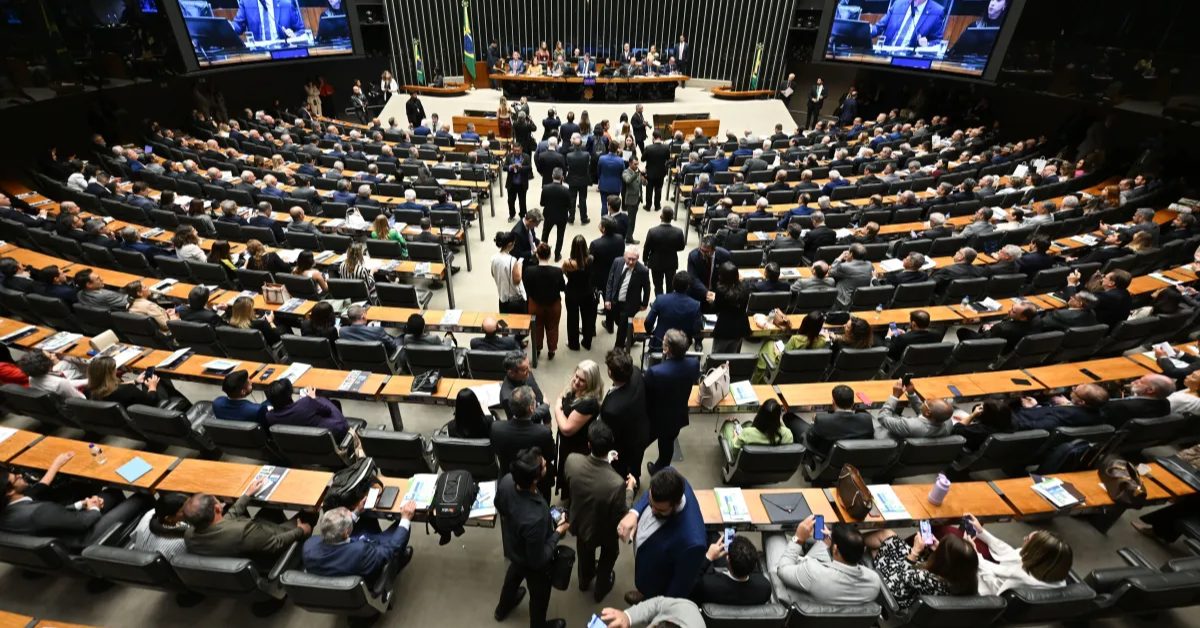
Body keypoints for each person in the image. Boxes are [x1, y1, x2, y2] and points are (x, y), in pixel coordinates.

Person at [0, 452, 148, 547]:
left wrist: (82, 504)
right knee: (142, 495)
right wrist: (93, 508)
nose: (20, 475)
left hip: (61, 534)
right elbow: (81, 523)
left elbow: (53, 513)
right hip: (84, 539)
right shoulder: (39, 511)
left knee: (112, 493)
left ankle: (126, 521)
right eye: (16, 478)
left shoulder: (8, 510)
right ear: (10, 491)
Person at [493, 447, 570, 628]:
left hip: (514, 547)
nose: (546, 464)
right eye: (544, 465)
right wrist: (558, 532)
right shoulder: (537, 516)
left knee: (513, 576)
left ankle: (502, 609)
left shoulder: (506, 481)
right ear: (535, 478)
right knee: (539, 595)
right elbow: (538, 559)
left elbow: (500, 506)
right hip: (532, 562)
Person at [564, 421, 636, 602]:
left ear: (589, 444)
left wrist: (605, 462)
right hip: (605, 528)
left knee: (583, 551)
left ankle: (584, 580)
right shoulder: (616, 482)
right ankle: (600, 590)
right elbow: (623, 512)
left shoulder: (572, 460)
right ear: (610, 444)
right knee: (608, 556)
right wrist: (630, 489)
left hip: (580, 520)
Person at [615, 466, 707, 606]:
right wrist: (634, 512)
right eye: (651, 504)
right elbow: (650, 495)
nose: (652, 511)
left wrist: (662, 610)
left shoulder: (693, 543)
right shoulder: (671, 477)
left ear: (675, 505)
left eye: (659, 510)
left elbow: (679, 587)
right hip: (645, 564)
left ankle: (648, 600)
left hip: (657, 582)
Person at [183, 479, 313, 558]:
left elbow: (226, 521)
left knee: (269, 509)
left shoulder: (189, 535)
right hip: (271, 550)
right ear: (218, 508)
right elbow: (276, 543)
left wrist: (247, 495)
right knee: (310, 512)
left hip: (248, 544)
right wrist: (300, 530)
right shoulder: (244, 531)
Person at [770, 516, 882, 605]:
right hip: (822, 583)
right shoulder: (874, 581)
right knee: (821, 542)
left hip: (796, 590)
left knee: (773, 533)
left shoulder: (812, 571)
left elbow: (782, 569)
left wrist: (798, 538)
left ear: (835, 549)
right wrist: (829, 539)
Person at [864, 529, 978, 610]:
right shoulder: (967, 582)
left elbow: (895, 580)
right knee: (888, 535)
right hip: (914, 582)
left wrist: (915, 551)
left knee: (878, 547)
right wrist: (940, 550)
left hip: (896, 589)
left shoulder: (925, 578)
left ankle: (854, 542)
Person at [303, 501, 415, 581]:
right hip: (370, 560)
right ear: (347, 533)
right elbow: (392, 549)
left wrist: (356, 512)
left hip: (346, 562)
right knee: (402, 528)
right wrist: (405, 519)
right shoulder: (360, 552)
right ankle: (399, 563)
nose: (351, 514)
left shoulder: (309, 547)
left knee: (365, 516)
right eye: (349, 515)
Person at [964, 514, 1072, 594]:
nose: (1023, 540)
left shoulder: (1021, 577)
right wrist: (982, 532)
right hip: (999, 570)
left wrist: (974, 554)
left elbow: (994, 585)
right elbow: (1013, 553)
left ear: (1036, 554)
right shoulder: (1050, 567)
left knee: (956, 543)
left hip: (984, 587)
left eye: (1027, 540)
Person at [643, 330, 701, 475]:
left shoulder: (655, 372)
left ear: (666, 349)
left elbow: (645, 394)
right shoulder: (694, 364)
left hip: (654, 418)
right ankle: (661, 469)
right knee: (667, 445)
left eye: (663, 341)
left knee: (639, 445)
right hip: (677, 415)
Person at [791, 384, 876, 460]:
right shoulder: (867, 419)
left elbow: (810, 440)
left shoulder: (822, 421)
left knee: (789, 417)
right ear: (853, 403)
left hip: (825, 455)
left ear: (833, 402)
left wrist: (813, 422)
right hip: (853, 457)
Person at [690, 533, 772, 606]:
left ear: (728, 558)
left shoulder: (707, 585)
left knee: (709, 540)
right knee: (713, 536)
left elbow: (690, 587)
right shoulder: (764, 588)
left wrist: (708, 557)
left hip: (716, 592)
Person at [87, 355, 189, 409]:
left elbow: (115, 387)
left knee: (151, 378)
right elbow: (150, 401)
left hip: (130, 411)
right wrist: (152, 387)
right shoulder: (127, 390)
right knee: (158, 380)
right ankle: (187, 406)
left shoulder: (89, 390)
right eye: (114, 368)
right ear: (109, 373)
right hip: (150, 410)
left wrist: (135, 381)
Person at [265, 377, 352, 439]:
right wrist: (314, 399)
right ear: (289, 393)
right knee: (325, 399)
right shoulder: (306, 402)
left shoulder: (270, 416)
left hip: (303, 445)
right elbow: (327, 411)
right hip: (333, 433)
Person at [754, 312, 827, 383]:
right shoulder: (822, 341)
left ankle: (758, 379)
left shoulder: (796, 339)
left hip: (783, 367)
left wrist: (776, 351)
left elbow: (782, 356)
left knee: (769, 343)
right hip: (800, 369)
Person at [522, 243, 565, 360]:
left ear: (537, 254)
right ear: (550, 255)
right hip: (553, 304)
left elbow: (526, 287)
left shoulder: (529, 271)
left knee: (536, 327)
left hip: (535, 304)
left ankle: (537, 348)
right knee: (552, 327)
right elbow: (562, 287)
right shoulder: (557, 271)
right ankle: (551, 349)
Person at [604, 246, 652, 349]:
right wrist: (607, 299)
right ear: (624, 256)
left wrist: (644, 303)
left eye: (633, 259)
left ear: (638, 258)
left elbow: (647, 288)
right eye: (628, 259)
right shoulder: (617, 262)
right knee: (619, 322)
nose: (630, 262)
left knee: (622, 328)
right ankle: (632, 335)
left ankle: (618, 350)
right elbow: (610, 280)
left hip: (630, 304)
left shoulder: (643, 270)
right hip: (615, 300)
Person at [875, 379, 954, 439]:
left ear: (928, 413)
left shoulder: (909, 425)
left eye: (926, 402)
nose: (925, 401)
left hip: (891, 440)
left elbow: (882, 417)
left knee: (866, 416)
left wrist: (895, 396)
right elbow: (925, 412)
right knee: (895, 414)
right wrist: (911, 394)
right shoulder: (947, 423)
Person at [644, 272, 703, 352]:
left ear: (673, 284)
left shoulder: (660, 299)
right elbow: (696, 329)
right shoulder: (695, 305)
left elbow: (648, 321)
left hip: (660, 344)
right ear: (688, 287)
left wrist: (650, 332)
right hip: (682, 346)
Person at [1013, 383, 1109, 430]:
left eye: (1075, 390)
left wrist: (1034, 408)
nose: (1072, 389)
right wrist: (1069, 404)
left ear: (1082, 402)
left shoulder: (1064, 415)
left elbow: (1035, 426)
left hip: (1018, 417)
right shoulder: (1100, 416)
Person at [720, 398, 794, 458]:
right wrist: (778, 421)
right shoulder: (787, 435)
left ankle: (733, 424)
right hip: (772, 467)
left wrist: (735, 438)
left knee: (728, 424)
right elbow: (784, 431)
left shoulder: (747, 433)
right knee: (748, 423)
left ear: (760, 414)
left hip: (748, 466)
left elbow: (734, 452)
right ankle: (737, 424)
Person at [128, 492, 190, 560]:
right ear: (168, 518)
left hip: (136, 559)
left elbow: (134, 538)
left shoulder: (149, 515)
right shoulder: (181, 542)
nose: (191, 510)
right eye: (185, 510)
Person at [563, 236, 597, 351]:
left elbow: (562, 272)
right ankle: (587, 342)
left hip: (572, 291)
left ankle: (573, 344)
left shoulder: (568, 263)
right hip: (587, 291)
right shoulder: (590, 259)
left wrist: (570, 276)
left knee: (572, 318)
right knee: (587, 317)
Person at [1100, 374, 1174, 427]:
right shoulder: (1166, 404)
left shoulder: (1121, 406)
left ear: (1150, 390)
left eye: (1141, 381)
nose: (1135, 381)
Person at [643, 208, 685, 296]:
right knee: (671, 286)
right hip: (671, 262)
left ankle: (659, 303)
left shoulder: (652, 231)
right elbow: (681, 247)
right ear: (672, 217)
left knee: (658, 286)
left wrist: (645, 260)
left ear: (661, 216)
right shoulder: (678, 232)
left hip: (656, 262)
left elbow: (647, 248)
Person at [711, 262, 750, 353]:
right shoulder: (745, 287)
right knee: (732, 353)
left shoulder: (721, 291)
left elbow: (717, 308)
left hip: (724, 327)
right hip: (740, 326)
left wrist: (713, 300)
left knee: (717, 353)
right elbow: (744, 306)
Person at [17, 351, 84, 400]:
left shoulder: (31, 378)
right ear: (49, 365)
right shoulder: (60, 383)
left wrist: (88, 381)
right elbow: (82, 399)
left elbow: (67, 384)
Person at [492, 231, 528, 314]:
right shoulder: (512, 260)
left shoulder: (493, 258)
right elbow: (517, 280)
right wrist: (520, 266)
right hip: (515, 300)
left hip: (502, 297)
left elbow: (493, 274)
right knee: (519, 323)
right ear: (510, 244)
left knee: (505, 322)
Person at [830, 244, 874, 309]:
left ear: (851, 254)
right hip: (861, 298)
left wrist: (839, 258)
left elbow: (831, 272)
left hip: (844, 299)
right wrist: (848, 261)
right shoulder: (869, 264)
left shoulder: (844, 266)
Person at [539, 168, 570, 261]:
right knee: (560, 236)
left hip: (549, 215)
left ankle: (543, 253)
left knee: (545, 234)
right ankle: (557, 255)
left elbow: (542, 203)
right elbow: (569, 205)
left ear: (552, 176)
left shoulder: (545, 188)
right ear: (562, 177)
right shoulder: (566, 190)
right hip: (562, 216)